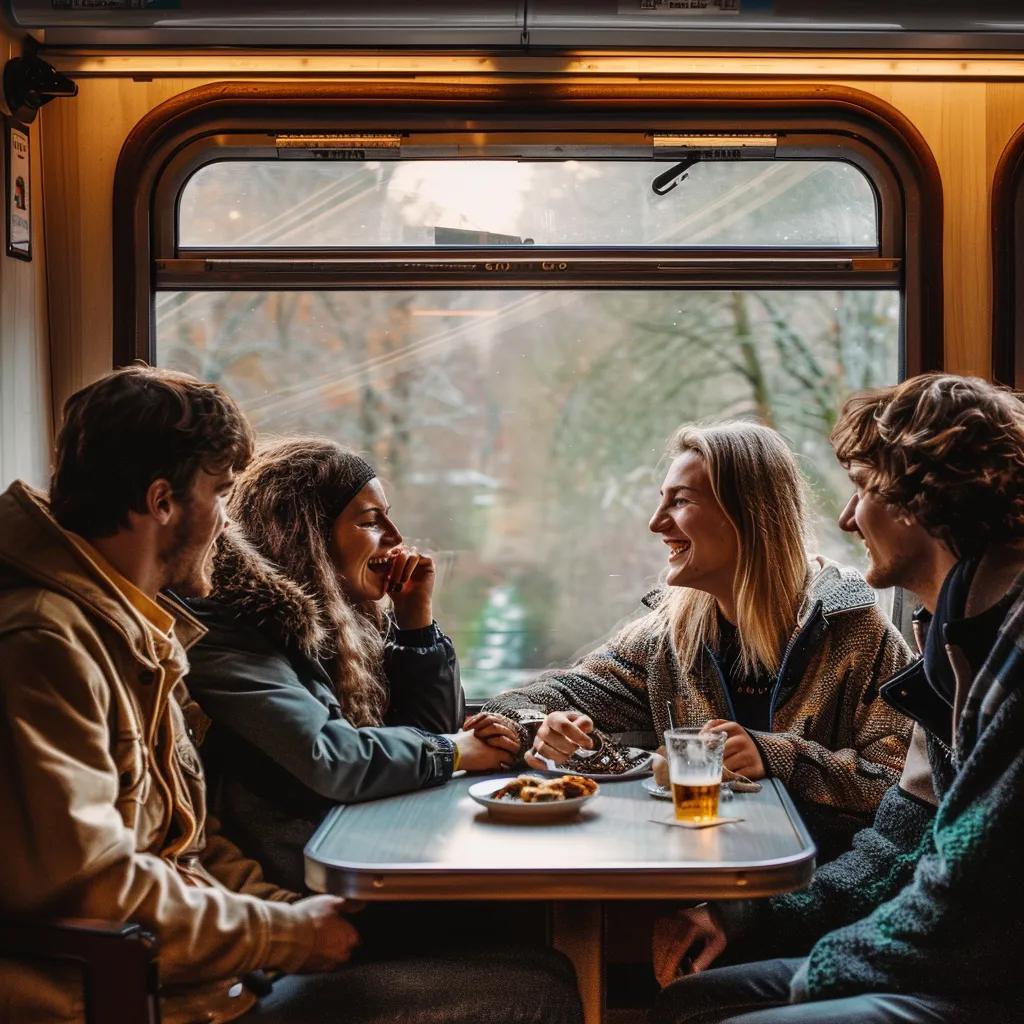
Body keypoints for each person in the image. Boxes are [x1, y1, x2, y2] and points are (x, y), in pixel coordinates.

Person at [0, 366, 581, 1024]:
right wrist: (285, 935)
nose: (227, 526)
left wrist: (282, 917)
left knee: (537, 962)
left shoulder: (136, 630)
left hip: (205, 975)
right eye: (219, 494)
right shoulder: (45, 642)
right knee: (539, 994)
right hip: (138, 1001)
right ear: (163, 502)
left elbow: (191, 843)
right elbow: (94, 885)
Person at [651, 374, 1024, 1024]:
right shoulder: (948, 651)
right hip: (946, 957)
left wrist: (827, 971)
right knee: (690, 1002)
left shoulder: (1009, 658)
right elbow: (896, 850)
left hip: (987, 984)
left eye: (863, 490)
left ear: (919, 499)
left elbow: (963, 903)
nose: (848, 518)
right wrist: (741, 917)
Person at [478, 422, 913, 860]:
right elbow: (548, 696)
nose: (655, 523)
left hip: (814, 890)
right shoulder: (668, 636)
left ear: (750, 513)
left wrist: (777, 757)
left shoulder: (857, 634)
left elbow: (901, 789)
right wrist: (533, 730)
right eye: (660, 501)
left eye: (680, 501)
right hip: (697, 870)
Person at [185, 437, 518, 892]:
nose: (397, 538)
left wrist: (416, 626)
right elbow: (330, 757)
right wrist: (454, 751)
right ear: (308, 536)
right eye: (370, 521)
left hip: (364, 849)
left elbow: (431, 730)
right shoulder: (236, 632)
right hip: (301, 879)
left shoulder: (351, 621)